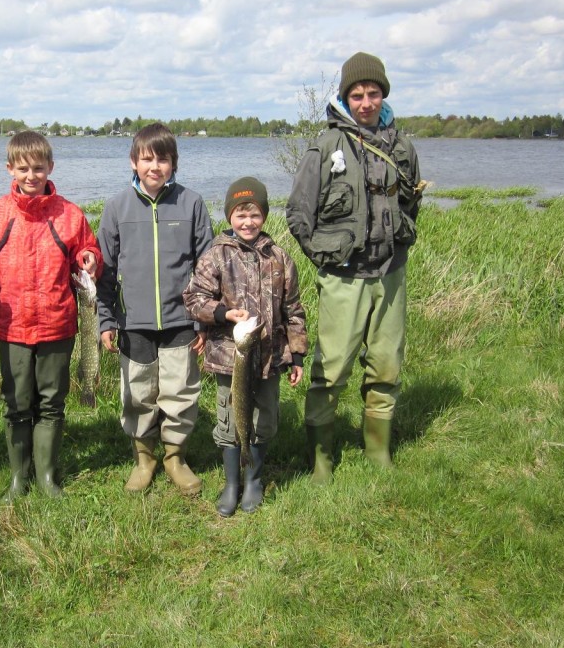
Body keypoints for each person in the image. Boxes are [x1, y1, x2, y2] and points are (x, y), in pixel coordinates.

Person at [286, 52, 425, 483]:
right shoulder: (326, 146)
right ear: (345, 98)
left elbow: (411, 204)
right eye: (357, 95)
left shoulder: (402, 147)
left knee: (386, 365)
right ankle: (321, 461)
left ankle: (378, 451)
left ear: (384, 95)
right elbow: (298, 214)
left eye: (373, 93)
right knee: (331, 370)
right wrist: (328, 256)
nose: (366, 102)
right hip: (344, 278)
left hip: (391, 273)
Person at [0, 131, 100, 501]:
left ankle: (47, 478)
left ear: (50, 167)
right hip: (13, 329)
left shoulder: (70, 215)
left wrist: (90, 258)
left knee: (52, 404)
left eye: (38, 168)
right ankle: (18, 478)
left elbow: (86, 252)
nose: (31, 175)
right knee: (17, 404)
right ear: (10, 169)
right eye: (23, 169)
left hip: (58, 324)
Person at [96, 123, 214, 495]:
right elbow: (104, 271)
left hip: (181, 320)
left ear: (173, 163)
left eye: (162, 159)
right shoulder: (116, 207)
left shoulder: (191, 203)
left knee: (180, 391)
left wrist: (204, 320)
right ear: (133, 161)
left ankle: (175, 458)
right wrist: (105, 319)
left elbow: (207, 267)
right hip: (133, 322)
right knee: (138, 394)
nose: (154, 167)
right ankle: (144, 459)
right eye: (147, 159)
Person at [183, 177, 306, 515]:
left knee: (264, 420)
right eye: (240, 215)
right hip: (230, 357)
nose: (248, 222)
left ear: (264, 216)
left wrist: (296, 355)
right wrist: (223, 313)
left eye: (254, 215)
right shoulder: (215, 255)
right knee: (230, 421)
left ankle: (254, 479)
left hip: (269, 359)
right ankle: (231, 482)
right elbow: (193, 299)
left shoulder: (280, 258)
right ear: (229, 217)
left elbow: (294, 310)